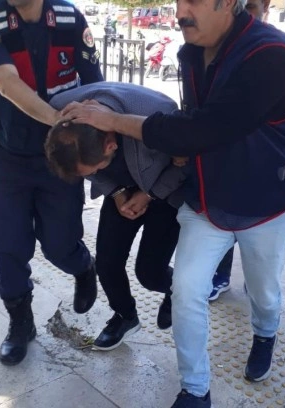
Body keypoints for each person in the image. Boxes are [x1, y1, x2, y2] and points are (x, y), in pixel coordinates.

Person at [62, 0, 285, 404]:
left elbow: (203, 129)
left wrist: (113, 121)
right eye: (179, 0)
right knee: (187, 289)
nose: (181, 11)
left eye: (194, 0)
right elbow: (193, 130)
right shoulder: (191, 52)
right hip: (206, 200)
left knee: (263, 292)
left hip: (265, 202)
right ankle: (195, 389)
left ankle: (264, 334)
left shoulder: (271, 53)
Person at [0, 0, 103, 366]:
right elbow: (6, 81)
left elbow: (95, 85)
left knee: (59, 245)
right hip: (10, 155)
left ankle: (83, 267)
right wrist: (56, 119)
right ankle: (20, 322)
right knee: (8, 244)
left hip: (59, 159)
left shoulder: (69, 18)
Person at [46, 82, 186, 350]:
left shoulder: (161, 115)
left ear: (111, 145)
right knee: (107, 263)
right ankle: (125, 316)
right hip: (122, 189)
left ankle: (175, 290)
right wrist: (118, 193)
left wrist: (149, 194)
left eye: (94, 169)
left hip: (166, 190)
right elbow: (83, 167)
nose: (91, 175)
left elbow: (186, 165)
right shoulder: (65, 113)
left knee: (149, 272)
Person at [208, 0, 285, 302]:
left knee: (262, 234)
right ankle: (220, 275)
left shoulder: (284, 45)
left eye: (251, 7)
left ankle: (258, 282)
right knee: (223, 215)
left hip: (267, 156)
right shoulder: (216, 43)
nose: (244, 16)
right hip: (226, 155)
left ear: (266, 5)